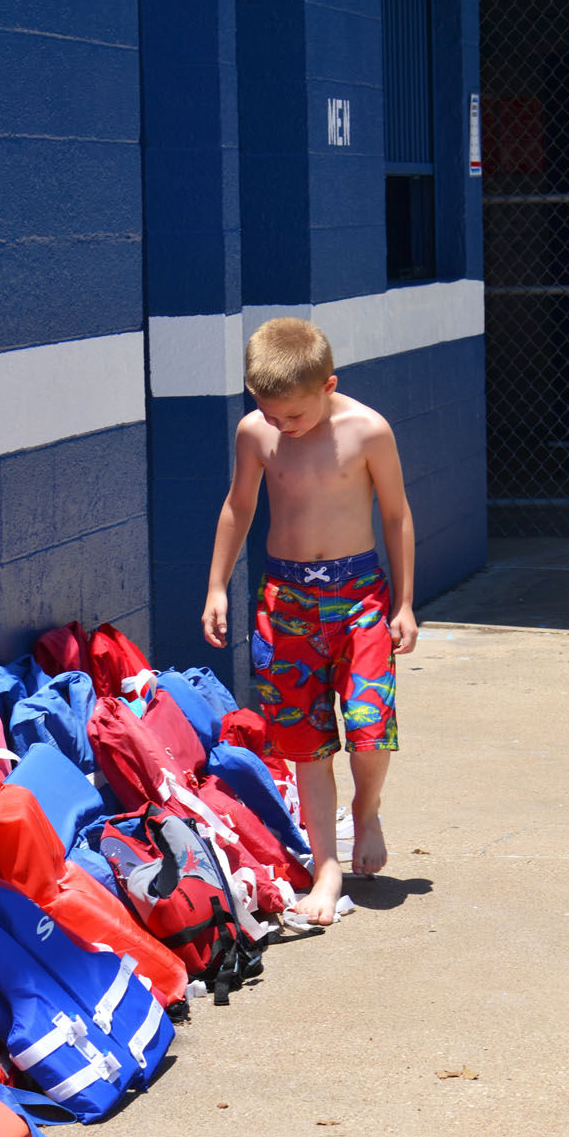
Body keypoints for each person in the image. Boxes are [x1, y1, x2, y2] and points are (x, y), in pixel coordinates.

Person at [202, 317, 418, 925]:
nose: (281, 425)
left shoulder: (368, 431)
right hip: (286, 602)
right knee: (305, 741)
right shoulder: (257, 433)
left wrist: (404, 602)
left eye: (292, 414)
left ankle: (367, 809)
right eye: (269, 413)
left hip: (360, 600)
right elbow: (239, 506)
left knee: (370, 726)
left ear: (329, 385)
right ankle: (327, 868)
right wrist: (217, 586)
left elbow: (396, 515)